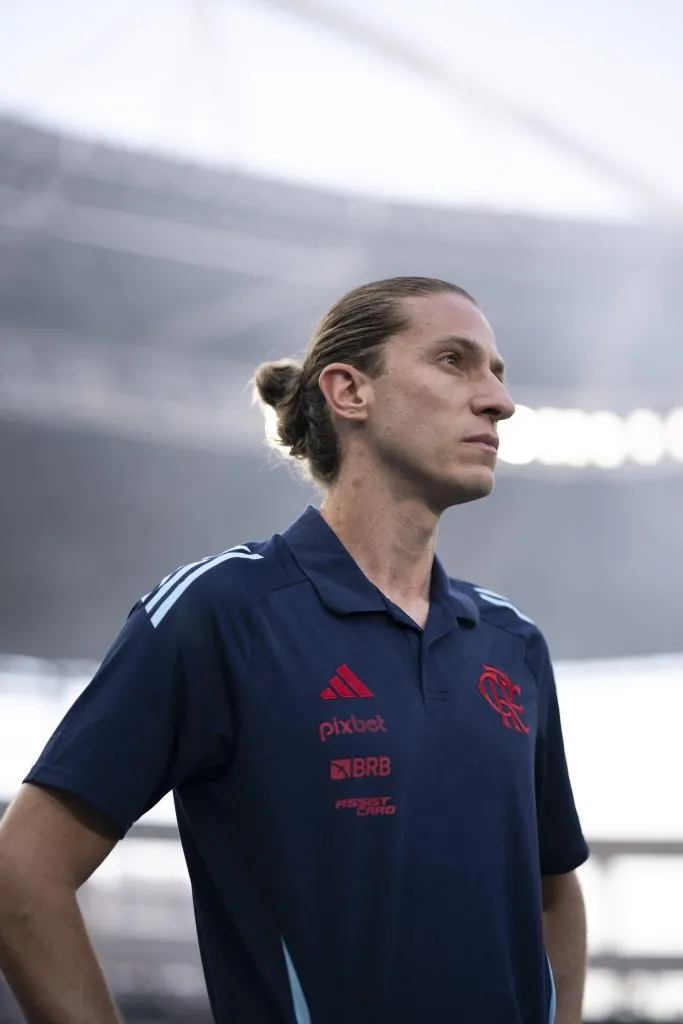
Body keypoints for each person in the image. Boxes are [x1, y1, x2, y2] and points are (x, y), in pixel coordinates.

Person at [0, 276, 588, 1024]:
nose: (498, 400)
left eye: (497, 374)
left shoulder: (514, 647)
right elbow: (22, 871)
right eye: (453, 361)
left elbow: (552, 891)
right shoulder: (224, 612)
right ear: (349, 392)